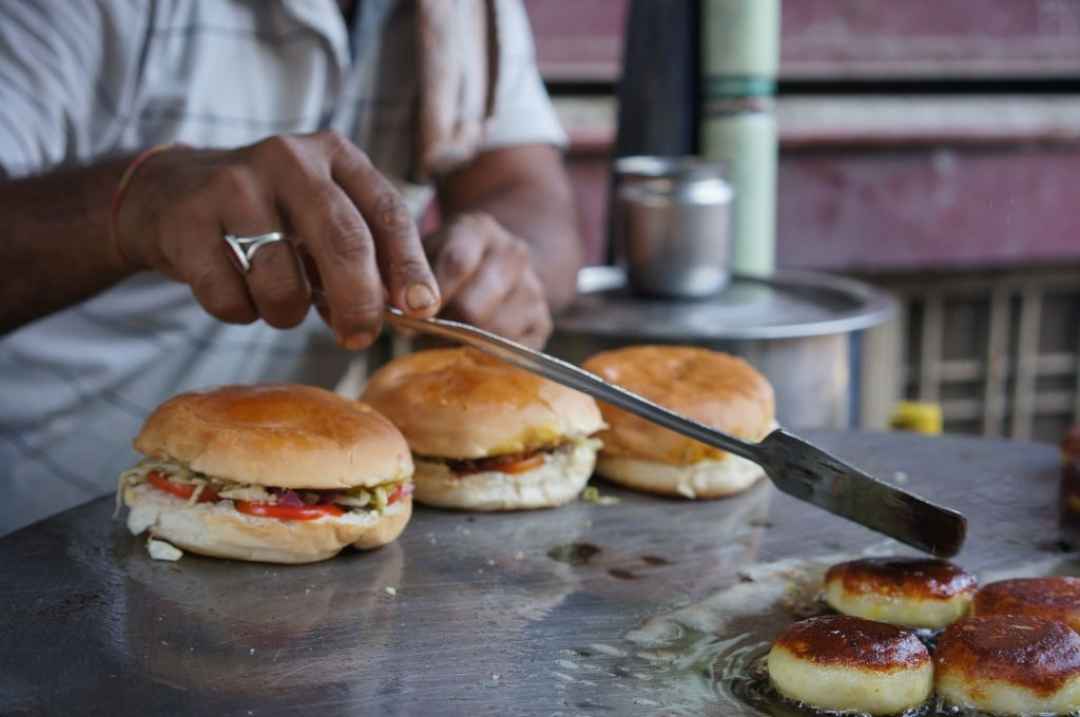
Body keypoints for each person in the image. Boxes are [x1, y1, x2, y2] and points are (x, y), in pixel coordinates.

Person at [0, 0, 583, 536]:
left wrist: (502, 260)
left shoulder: (467, 13)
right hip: (31, 516)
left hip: (287, 515)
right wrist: (131, 205)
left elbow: (527, 193)